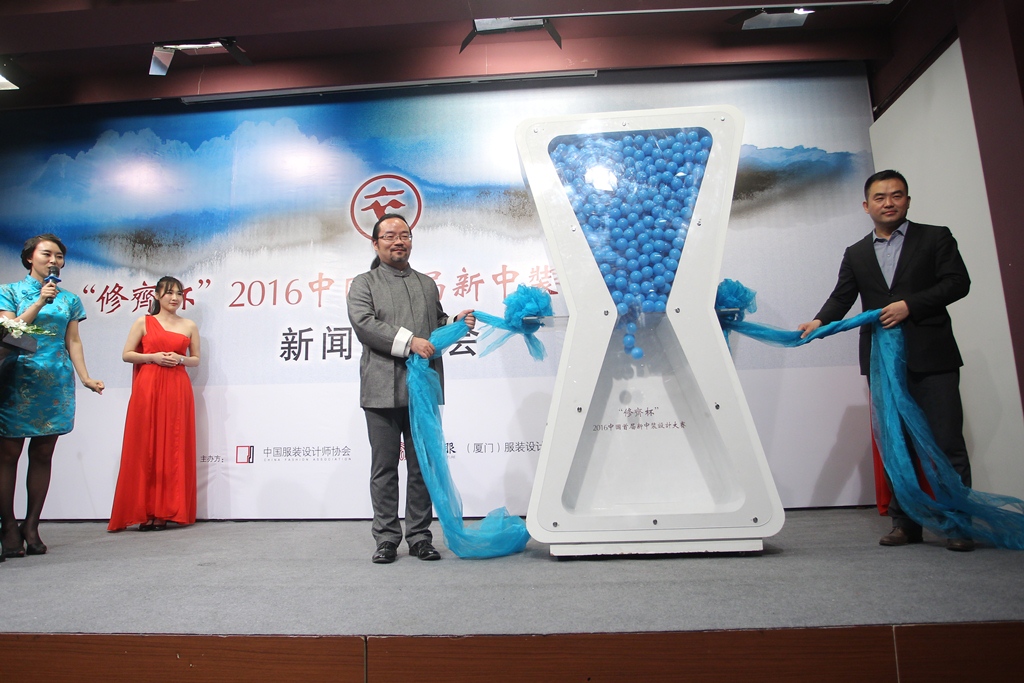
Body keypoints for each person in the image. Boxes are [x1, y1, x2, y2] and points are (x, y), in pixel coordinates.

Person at [799, 170, 974, 551]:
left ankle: (959, 525)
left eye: (896, 195)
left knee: (947, 442)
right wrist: (819, 322)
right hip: (883, 362)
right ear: (866, 206)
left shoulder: (936, 237)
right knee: (896, 443)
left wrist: (910, 305)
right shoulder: (856, 253)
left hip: (933, 357)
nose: (889, 203)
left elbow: (957, 282)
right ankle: (905, 524)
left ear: (907, 201)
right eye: (880, 197)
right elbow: (841, 297)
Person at [347, 214, 475, 564]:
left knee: (422, 467)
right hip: (381, 388)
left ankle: (420, 536)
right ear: (375, 243)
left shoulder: (426, 284)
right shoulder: (364, 283)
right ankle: (387, 538)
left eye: (404, 235)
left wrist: (456, 322)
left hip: (423, 389)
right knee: (384, 468)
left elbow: (435, 323)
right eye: (389, 236)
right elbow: (365, 324)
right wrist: (410, 342)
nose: (398, 241)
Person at [0, 234, 104, 558]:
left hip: (55, 380)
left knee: (43, 454)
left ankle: (31, 525)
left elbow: (73, 341)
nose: (54, 260)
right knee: (8, 455)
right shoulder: (9, 292)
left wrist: (85, 377)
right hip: (18, 378)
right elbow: (11, 330)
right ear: (29, 257)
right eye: (47, 254)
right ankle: (8, 526)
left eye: (59, 256)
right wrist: (39, 302)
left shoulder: (69, 299)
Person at [108, 276, 199, 532]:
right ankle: (144, 510)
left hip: (177, 388)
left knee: (173, 445)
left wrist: (180, 359)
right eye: (169, 293)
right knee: (145, 445)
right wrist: (153, 357)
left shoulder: (189, 325)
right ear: (157, 295)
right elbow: (127, 354)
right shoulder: (144, 322)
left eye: (179, 293)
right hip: (148, 387)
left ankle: (165, 510)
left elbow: (196, 359)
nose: (175, 298)